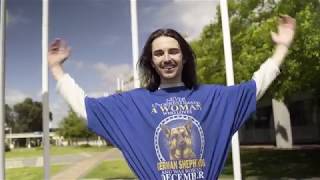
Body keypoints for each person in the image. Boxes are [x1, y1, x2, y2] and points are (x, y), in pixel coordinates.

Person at [48, 15, 296, 180]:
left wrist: (282, 47)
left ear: (184, 57)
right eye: (159, 53)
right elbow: (85, 106)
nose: (166, 58)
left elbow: (256, 85)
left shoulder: (213, 98)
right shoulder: (134, 104)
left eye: (173, 51)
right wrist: (57, 70)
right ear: (151, 62)